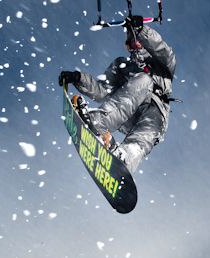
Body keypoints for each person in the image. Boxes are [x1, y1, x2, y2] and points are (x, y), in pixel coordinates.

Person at [58, 15, 176, 173]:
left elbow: (161, 48)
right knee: (137, 83)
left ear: (143, 43)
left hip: (155, 112)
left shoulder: (162, 63)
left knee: (144, 135)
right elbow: (102, 91)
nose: (132, 47)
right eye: (129, 45)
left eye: (135, 42)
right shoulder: (123, 65)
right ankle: (97, 124)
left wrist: (142, 30)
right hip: (127, 112)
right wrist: (79, 78)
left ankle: (124, 159)